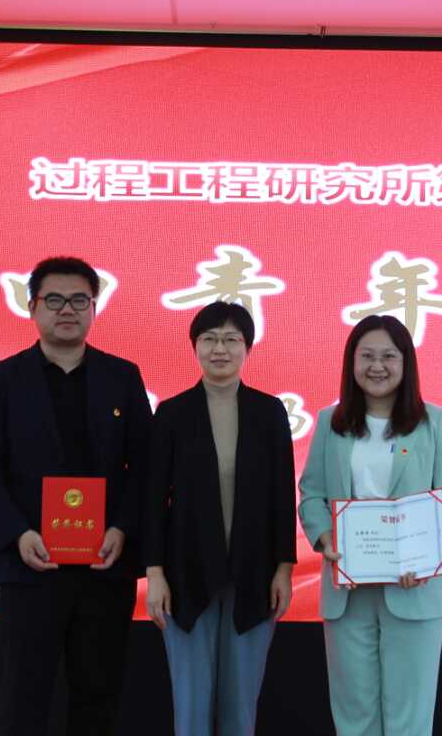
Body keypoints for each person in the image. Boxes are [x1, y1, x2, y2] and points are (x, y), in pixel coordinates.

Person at [0, 256, 152, 736]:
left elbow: (146, 466)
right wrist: (17, 533)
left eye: (79, 300)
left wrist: (122, 527)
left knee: (98, 695)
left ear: (94, 308)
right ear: (32, 307)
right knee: (24, 696)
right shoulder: (3, 379)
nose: (67, 310)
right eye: (54, 300)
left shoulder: (122, 377)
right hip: (30, 565)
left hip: (104, 565)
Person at [297, 315, 442, 736]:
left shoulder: (433, 421)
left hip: (414, 586)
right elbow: (312, 493)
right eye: (367, 356)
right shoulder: (331, 422)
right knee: (354, 713)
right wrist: (324, 538)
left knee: (409, 714)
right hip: (348, 587)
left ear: (406, 363)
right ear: (351, 363)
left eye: (388, 356)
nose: (377, 366)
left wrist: (427, 559)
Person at [144, 301, 297, 736]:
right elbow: (152, 499)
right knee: (190, 705)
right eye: (209, 339)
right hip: (185, 576)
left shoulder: (269, 412)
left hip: (254, 575)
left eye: (232, 339)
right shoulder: (172, 413)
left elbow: (282, 495)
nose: (220, 349)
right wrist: (154, 574)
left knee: (240, 706)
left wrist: (284, 569)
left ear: (248, 348)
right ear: (195, 346)